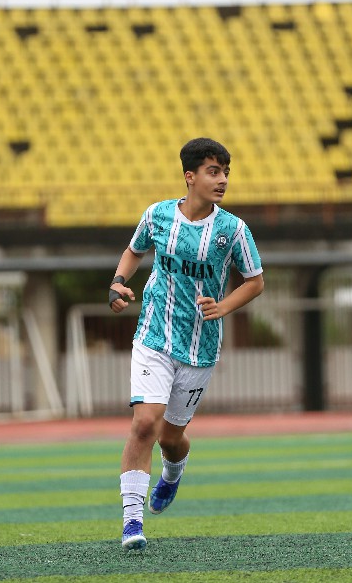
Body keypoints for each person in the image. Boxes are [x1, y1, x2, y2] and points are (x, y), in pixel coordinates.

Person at [109, 137, 264, 550]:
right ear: (190, 176)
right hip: (154, 336)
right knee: (145, 423)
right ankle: (132, 522)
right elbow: (133, 251)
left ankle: (172, 474)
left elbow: (255, 282)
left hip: (200, 348)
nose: (222, 180)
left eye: (226, 172)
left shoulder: (233, 230)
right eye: (214, 172)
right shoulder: (157, 215)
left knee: (170, 438)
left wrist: (223, 307)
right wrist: (118, 283)